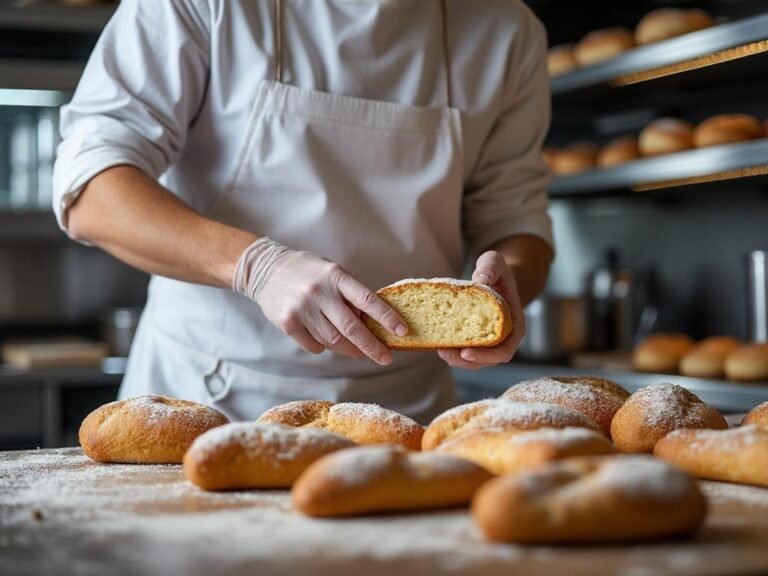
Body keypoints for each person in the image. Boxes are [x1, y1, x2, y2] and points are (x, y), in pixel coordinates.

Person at [53, 0, 554, 423]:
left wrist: (504, 287)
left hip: (403, 412)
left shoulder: (507, 30)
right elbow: (91, 188)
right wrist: (256, 266)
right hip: (209, 399)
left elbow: (517, 220)